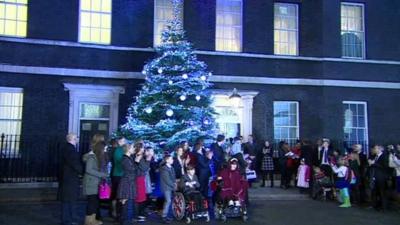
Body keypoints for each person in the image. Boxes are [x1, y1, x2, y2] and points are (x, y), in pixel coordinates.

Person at [82, 141, 109, 225]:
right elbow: (88, 170)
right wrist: (102, 175)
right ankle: (88, 221)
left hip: (95, 183)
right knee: (91, 203)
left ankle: (92, 220)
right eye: (105, 148)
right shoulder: (91, 157)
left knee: (94, 202)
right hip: (90, 183)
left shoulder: (97, 157)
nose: (105, 150)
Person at [60, 133, 83, 225]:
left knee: (66, 199)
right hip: (71, 178)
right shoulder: (71, 150)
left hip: (66, 177)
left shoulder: (64, 148)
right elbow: (75, 164)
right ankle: (71, 219)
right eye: (76, 137)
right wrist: (82, 171)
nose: (77, 139)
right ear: (73, 139)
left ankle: (66, 218)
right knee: (72, 199)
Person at [118, 143, 140, 225]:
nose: (133, 149)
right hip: (127, 181)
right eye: (132, 147)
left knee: (127, 201)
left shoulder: (129, 158)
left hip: (129, 181)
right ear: (128, 149)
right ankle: (124, 220)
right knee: (125, 201)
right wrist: (137, 162)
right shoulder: (125, 159)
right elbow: (132, 169)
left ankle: (125, 219)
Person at [369, 144, 389, 211]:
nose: (374, 150)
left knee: (382, 193)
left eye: (375, 148)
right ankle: (375, 206)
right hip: (375, 177)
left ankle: (384, 207)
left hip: (381, 177)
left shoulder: (384, 156)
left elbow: (384, 166)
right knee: (374, 192)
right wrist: (371, 163)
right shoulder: (375, 156)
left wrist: (373, 163)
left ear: (379, 149)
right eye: (374, 148)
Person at [134, 142, 150, 222]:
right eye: (143, 148)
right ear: (139, 148)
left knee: (141, 196)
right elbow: (145, 168)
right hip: (139, 178)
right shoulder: (139, 156)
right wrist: (148, 160)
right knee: (140, 197)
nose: (144, 149)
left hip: (140, 177)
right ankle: (139, 214)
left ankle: (140, 213)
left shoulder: (140, 156)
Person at [111, 137, 126, 219]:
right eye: (123, 141)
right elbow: (119, 162)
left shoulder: (121, 150)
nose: (124, 142)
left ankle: (118, 211)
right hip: (117, 174)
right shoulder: (118, 150)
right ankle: (115, 211)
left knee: (118, 194)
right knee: (116, 194)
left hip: (120, 174)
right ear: (119, 142)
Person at [160, 154, 176, 224]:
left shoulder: (171, 168)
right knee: (168, 201)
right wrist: (174, 185)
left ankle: (165, 215)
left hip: (170, 187)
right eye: (171, 159)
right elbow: (167, 180)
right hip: (166, 187)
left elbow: (173, 177)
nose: (172, 160)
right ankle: (164, 216)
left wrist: (174, 183)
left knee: (169, 201)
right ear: (167, 160)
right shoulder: (164, 169)